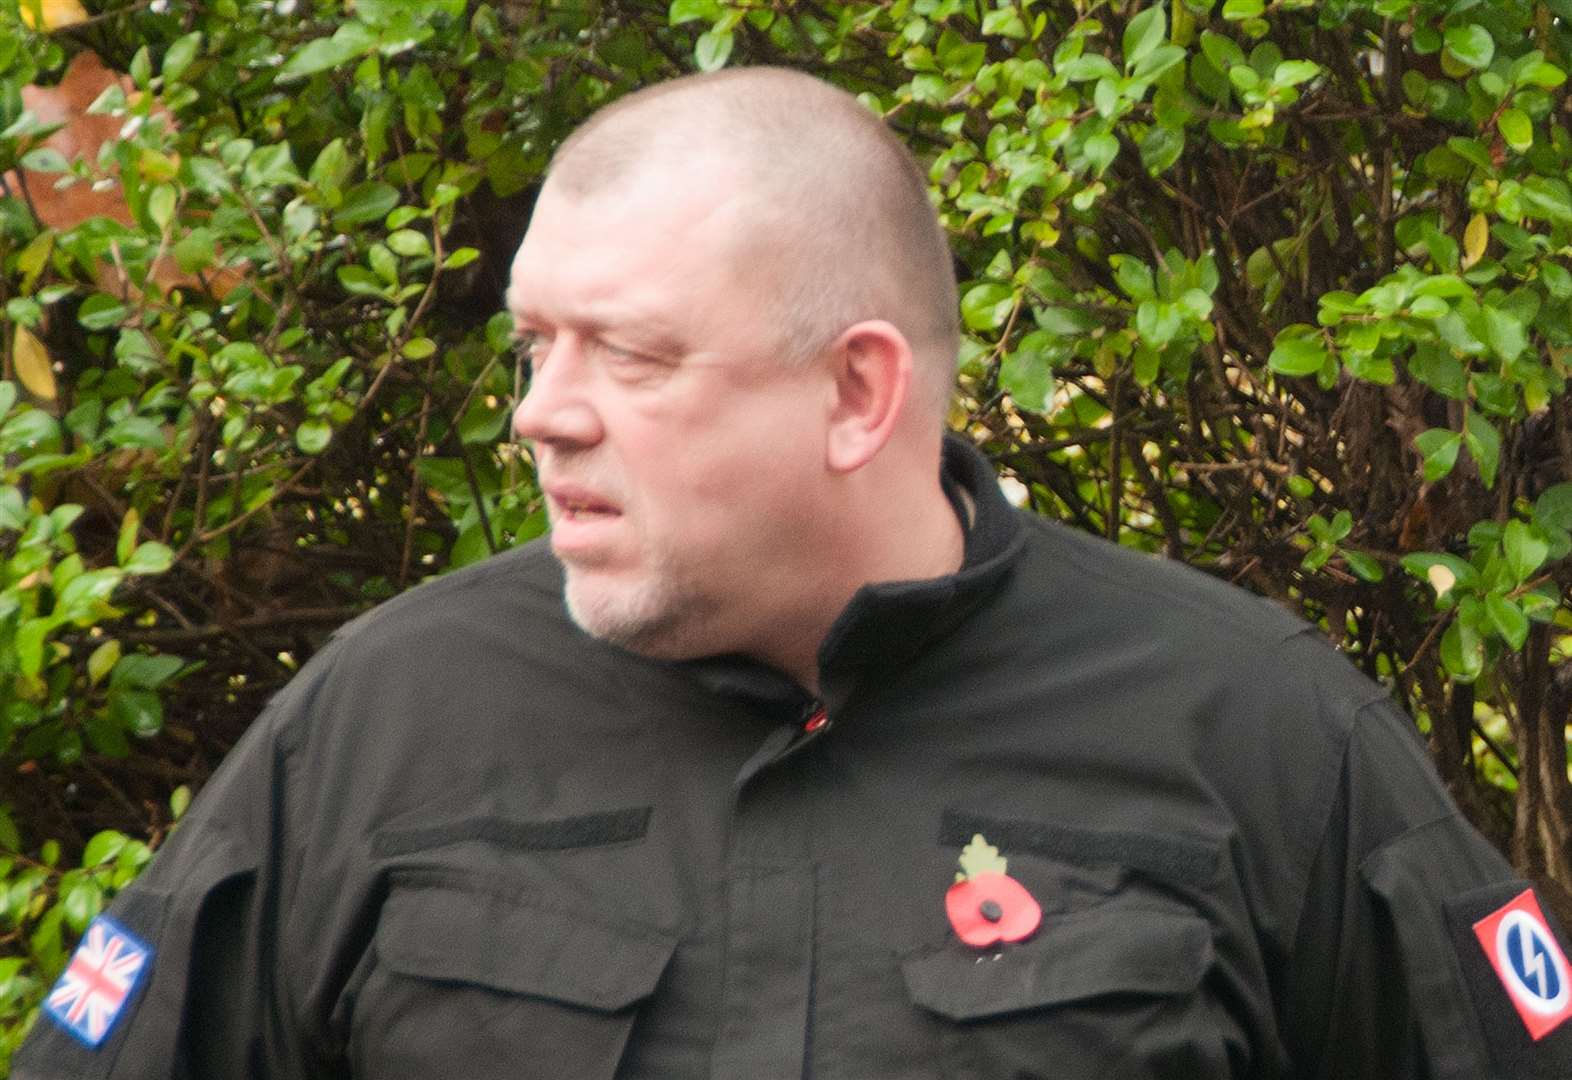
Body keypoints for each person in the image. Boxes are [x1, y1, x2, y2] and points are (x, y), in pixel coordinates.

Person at [14, 66, 1572, 1080]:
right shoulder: (388, 721)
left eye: (625, 353)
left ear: (856, 394)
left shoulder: (1255, 732)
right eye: (535, 341)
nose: (541, 414)